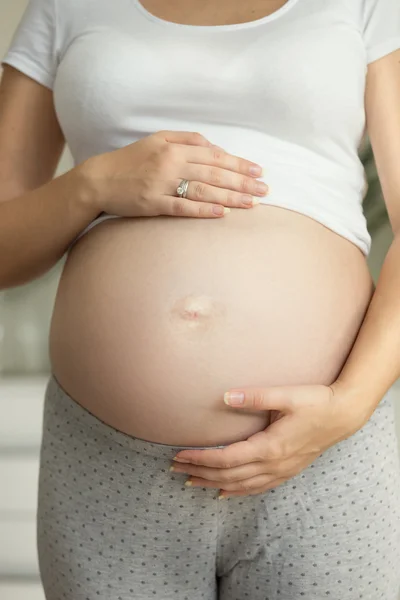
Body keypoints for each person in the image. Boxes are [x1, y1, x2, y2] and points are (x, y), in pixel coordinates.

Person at [1, 0, 400, 598]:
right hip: (107, 461)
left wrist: (349, 406)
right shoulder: (63, 6)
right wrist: (93, 185)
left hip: (324, 451)